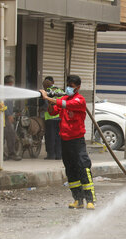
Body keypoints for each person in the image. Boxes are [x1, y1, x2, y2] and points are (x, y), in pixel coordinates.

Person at [40, 74, 96, 210]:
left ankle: (90, 200)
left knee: (83, 167)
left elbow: (65, 104)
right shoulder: (63, 98)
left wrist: (48, 98)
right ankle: (77, 199)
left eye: (71, 86)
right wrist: (49, 102)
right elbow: (53, 112)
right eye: (68, 86)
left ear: (78, 87)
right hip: (65, 139)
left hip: (77, 140)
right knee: (70, 169)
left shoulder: (79, 100)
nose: (69, 88)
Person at [0, 75, 22, 161]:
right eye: (11, 83)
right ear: (9, 83)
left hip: (4, 116)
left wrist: (16, 110)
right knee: (11, 135)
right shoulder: (2, 92)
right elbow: (2, 104)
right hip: (2, 117)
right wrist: (9, 115)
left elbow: (9, 105)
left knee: (1, 135)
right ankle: (11, 153)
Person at [40, 76, 64, 160]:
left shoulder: (46, 92)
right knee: (58, 137)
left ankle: (51, 155)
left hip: (50, 118)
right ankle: (59, 155)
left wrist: (42, 109)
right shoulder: (60, 91)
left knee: (50, 137)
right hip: (59, 117)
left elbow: (47, 105)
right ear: (53, 82)